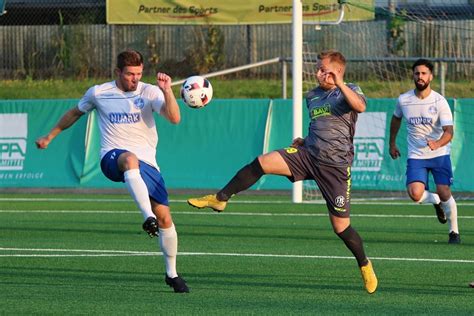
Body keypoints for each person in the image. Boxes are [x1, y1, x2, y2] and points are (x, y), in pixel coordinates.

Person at [188, 50, 378, 294]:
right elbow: (322, 125)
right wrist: (305, 140)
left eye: (323, 69)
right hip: (308, 155)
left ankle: (364, 264)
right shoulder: (313, 96)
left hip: (336, 167)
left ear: (337, 72)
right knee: (262, 162)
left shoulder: (350, 89)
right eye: (318, 68)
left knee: (341, 228)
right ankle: (220, 199)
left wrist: (340, 83)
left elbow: (360, 107)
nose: (317, 72)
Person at [36, 49, 189, 293]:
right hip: (113, 157)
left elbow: (175, 118)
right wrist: (50, 136)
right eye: (130, 74)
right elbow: (74, 113)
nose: (135, 79)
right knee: (130, 160)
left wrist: (167, 91)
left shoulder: (149, 91)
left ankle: (172, 274)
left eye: (139, 73)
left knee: (166, 219)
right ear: (118, 72)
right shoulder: (99, 92)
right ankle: (146, 217)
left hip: (148, 164)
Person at [389, 58, 460, 244]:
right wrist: (392, 143)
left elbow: (449, 131)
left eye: (423, 73)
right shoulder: (404, 100)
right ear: (413, 76)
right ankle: (436, 201)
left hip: (439, 154)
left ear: (431, 76)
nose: (420, 77)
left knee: (445, 192)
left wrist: (437, 143)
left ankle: (454, 232)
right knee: (415, 194)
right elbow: (396, 119)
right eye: (417, 73)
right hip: (416, 155)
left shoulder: (439, 101)